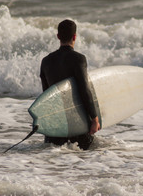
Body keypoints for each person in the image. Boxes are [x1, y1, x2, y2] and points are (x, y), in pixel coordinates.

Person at [40, 19, 100, 150]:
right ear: (74, 37)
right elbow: (84, 90)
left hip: (55, 128)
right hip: (76, 126)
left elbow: (46, 96)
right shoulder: (79, 59)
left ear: (58, 37)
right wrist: (95, 119)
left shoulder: (45, 61)